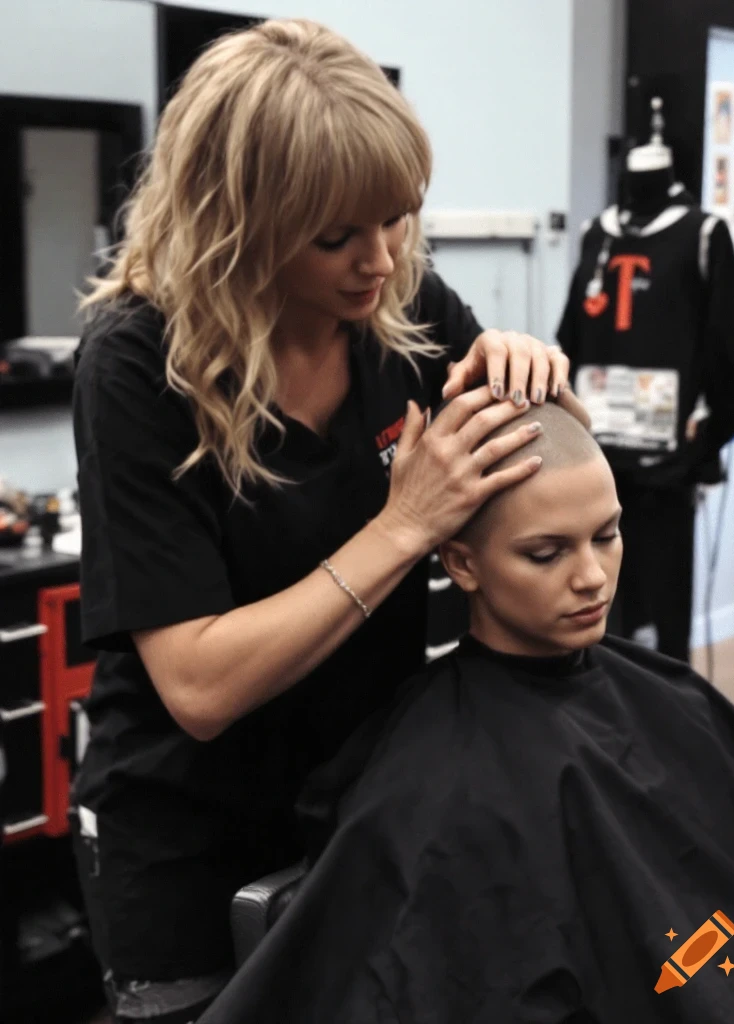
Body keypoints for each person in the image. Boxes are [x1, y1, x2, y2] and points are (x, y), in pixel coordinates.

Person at [70, 18, 570, 1024]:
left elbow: (549, 470)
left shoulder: (403, 305)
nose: (380, 261)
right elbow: (200, 686)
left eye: (396, 219)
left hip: (365, 802)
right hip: (187, 844)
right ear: (239, 219)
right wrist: (402, 528)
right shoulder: (136, 367)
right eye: (337, 236)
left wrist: (546, 387)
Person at [199, 399, 734, 1024]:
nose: (592, 577)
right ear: (462, 562)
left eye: (606, 536)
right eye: (546, 554)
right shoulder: (437, 778)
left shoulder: (674, 696)